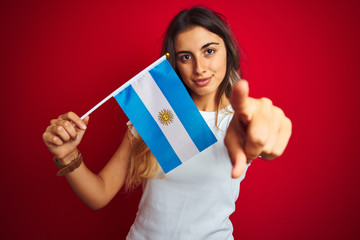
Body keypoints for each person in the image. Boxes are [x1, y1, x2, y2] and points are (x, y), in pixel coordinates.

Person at [42, 6, 292, 240]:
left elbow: (267, 138)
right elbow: (100, 193)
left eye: (209, 51)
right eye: (186, 57)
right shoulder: (157, 112)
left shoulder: (242, 119)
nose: (200, 68)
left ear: (228, 49)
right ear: (175, 63)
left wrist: (267, 134)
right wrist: (67, 154)